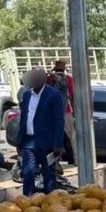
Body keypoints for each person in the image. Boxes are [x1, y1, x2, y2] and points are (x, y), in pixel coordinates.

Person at [17, 67, 64, 196]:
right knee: (28, 173)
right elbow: (24, 118)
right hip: (29, 141)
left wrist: (57, 144)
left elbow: (59, 120)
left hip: (47, 143)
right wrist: (20, 141)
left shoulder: (54, 95)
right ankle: (27, 200)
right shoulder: (27, 95)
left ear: (44, 79)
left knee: (49, 175)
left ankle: (50, 201)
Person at [47, 59, 75, 165]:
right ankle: (73, 159)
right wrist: (74, 110)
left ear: (55, 69)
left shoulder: (49, 79)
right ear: (64, 69)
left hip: (51, 112)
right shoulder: (68, 79)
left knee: (52, 137)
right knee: (70, 136)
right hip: (66, 111)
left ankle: (53, 162)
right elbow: (72, 95)